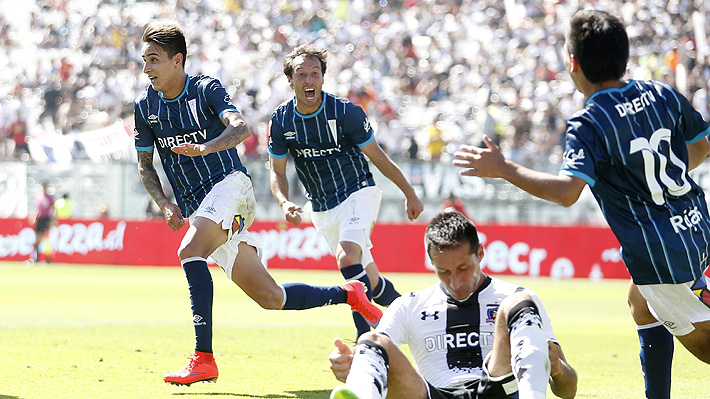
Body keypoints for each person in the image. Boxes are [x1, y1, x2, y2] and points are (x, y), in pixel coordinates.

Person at [453, 10, 710, 399]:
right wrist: (657, 180)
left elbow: (567, 192)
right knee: (639, 304)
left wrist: (505, 168)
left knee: (705, 348)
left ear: (573, 63)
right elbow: (701, 146)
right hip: (695, 226)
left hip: (660, 256)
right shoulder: (662, 93)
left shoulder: (590, 121)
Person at [134, 21, 381, 387]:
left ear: (177, 60)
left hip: (231, 188)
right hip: (201, 207)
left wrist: (205, 146)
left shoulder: (205, 89)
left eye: (153, 59)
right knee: (271, 297)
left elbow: (240, 128)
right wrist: (165, 204)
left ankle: (203, 358)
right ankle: (349, 294)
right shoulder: (145, 107)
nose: (147, 69)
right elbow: (145, 166)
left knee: (190, 250)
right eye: (144, 60)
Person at [328, 211, 577, 399]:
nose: (455, 282)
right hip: (433, 394)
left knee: (520, 302)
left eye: (463, 269)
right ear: (432, 263)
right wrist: (354, 365)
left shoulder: (516, 298)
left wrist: (557, 369)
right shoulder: (411, 304)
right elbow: (374, 352)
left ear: (480, 254)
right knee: (370, 342)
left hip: (499, 389)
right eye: (444, 271)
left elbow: (568, 390)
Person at [268, 44, 424, 338]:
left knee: (347, 258)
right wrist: (284, 201)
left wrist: (409, 192)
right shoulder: (281, 121)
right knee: (372, 285)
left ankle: (365, 339)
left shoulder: (345, 113)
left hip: (358, 193)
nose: (309, 80)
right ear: (290, 81)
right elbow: (277, 171)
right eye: (301, 75)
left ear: (324, 78)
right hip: (323, 208)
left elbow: (378, 157)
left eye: (315, 74)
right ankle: (418, 320)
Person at [28, 181, 55, 264]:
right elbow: (37, 208)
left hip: (47, 218)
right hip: (40, 218)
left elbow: (53, 208)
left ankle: (48, 259)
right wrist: (34, 216)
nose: (44, 187)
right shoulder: (39, 196)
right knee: (37, 239)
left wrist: (52, 219)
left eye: (45, 186)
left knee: (47, 239)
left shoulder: (50, 197)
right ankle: (35, 257)